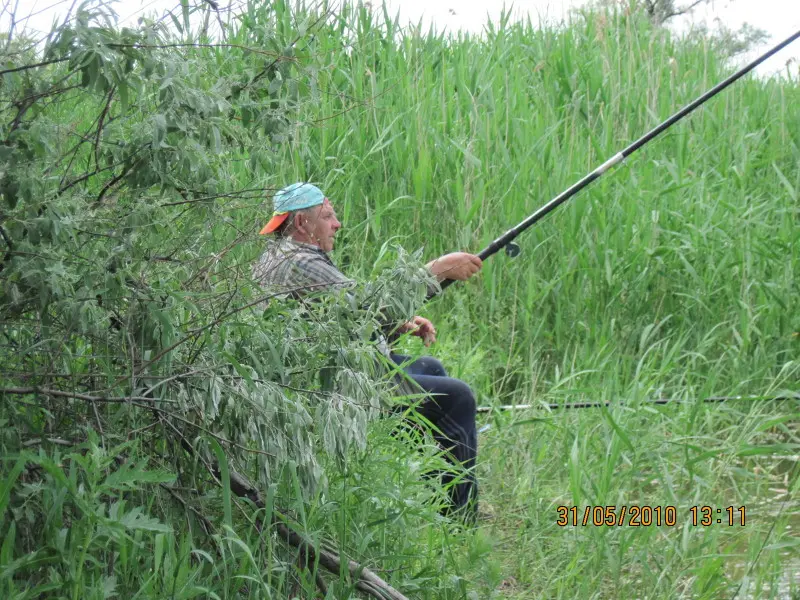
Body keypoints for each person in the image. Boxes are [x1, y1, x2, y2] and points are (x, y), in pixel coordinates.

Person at [252, 182, 484, 518]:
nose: (337, 224)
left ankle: (437, 501)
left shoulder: (281, 255)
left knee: (431, 369)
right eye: (328, 216)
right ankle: (459, 521)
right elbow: (365, 309)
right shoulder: (300, 261)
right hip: (327, 384)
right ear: (302, 224)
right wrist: (436, 270)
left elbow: (347, 317)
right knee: (458, 398)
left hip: (322, 367)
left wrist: (397, 322)